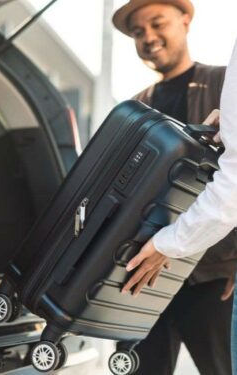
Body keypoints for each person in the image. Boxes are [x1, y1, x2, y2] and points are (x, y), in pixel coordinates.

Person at [112, 1, 237, 374]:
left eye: (156, 23)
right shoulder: (136, 107)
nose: (148, 37)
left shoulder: (222, 82)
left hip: (214, 276)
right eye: (138, 32)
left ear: (185, 20)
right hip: (143, 280)